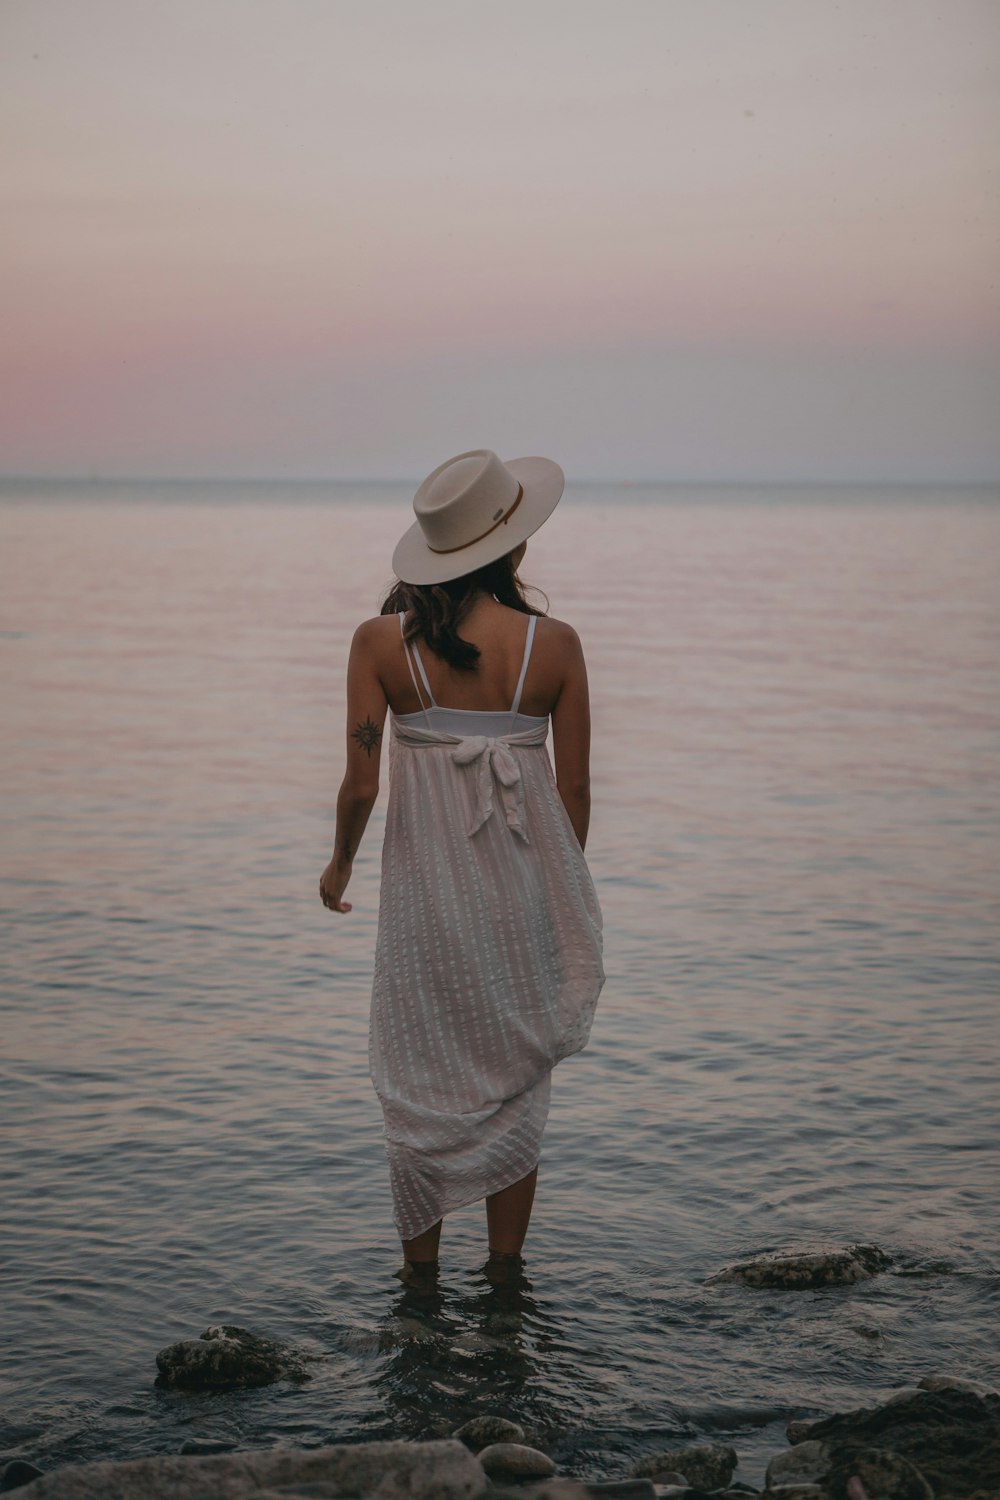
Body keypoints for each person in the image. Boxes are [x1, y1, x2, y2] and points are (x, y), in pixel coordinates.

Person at [319, 448, 604, 1289]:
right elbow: (576, 788)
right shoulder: (553, 647)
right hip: (520, 896)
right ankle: (507, 1283)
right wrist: (552, 894)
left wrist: (337, 867)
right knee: (514, 1077)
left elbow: (362, 780)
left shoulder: (380, 643)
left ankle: (418, 1288)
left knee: (421, 1074)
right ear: (512, 548)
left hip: (422, 903)